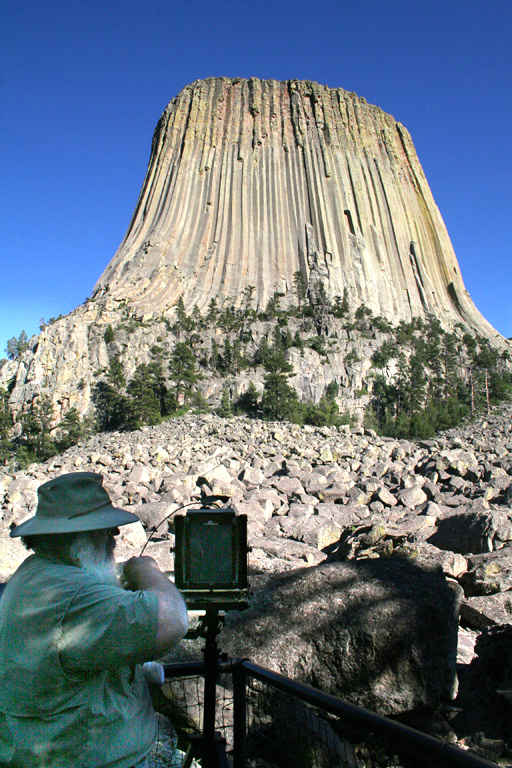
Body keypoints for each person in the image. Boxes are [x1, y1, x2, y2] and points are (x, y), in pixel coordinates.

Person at [0, 471, 188, 768]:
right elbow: (173, 619)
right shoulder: (74, 595)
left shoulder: (36, 574)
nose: (114, 537)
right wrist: (146, 569)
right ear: (79, 537)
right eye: (107, 530)